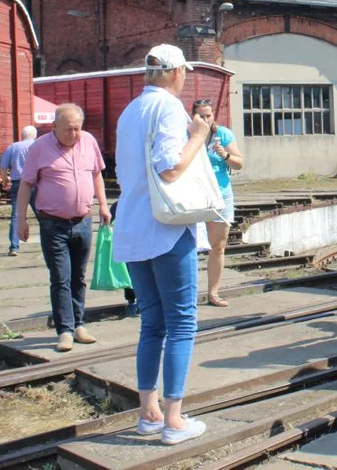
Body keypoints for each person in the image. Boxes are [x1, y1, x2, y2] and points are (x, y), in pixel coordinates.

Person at [113, 44, 212, 446]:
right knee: (183, 322)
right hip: (168, 228)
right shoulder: (170, 108)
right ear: (175, 73)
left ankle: (148, 413)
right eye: (185, 72)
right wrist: (199, 136)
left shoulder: (128, 111)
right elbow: (169, 167)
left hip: (134, 226)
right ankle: (174, 419)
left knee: (151, 323)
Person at [17, 104, 110, 353]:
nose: (74, 134)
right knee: (61, 278)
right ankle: (65, 331)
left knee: (78, 278)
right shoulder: (39, 148)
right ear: (54, 127)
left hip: (82, 221)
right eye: (68, 129)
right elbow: (26, 184)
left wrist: (103, 204)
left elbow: (96, 174)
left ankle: (79, 325)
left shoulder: (88, 141)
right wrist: (21, 220)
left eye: (78, 128)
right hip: (53, 224)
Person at [192, 99, 244, 308]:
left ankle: (213, 293)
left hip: (221, 196)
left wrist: (225, 155)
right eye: (201, 116)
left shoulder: (223, 134)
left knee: (218, 246)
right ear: (193, 116)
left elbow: (239, 163)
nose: (205, 119)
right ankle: (188, 295)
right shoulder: (188, 134)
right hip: (195, 196)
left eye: (209, 115)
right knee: (190, 247)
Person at [0, 125, 38, 256]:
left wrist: (5, 180)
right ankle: (49, 243)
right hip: (35, 183)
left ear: (22, 136)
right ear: (34, 135)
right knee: (42, 214)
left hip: (18, 183)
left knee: (16, 215)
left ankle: (14, 247)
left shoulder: (13, 147)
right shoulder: (38, 145)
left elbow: (3, 166)